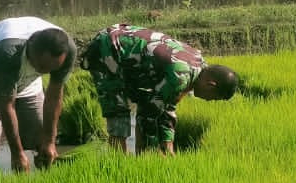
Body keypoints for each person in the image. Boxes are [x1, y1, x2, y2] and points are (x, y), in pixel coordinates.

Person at [80, 24, 238, 155]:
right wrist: (154, 148)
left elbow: (167, 106)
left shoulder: (197, 63)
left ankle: (138, 161)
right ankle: (119, 163)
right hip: (109, 49)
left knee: (141, 100)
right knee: (118, 111)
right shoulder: (181, 76)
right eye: (213, 98)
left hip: (127, 56)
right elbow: (149, 113)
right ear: (211, 85)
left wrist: (167, 145)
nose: (209, 100)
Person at [0, 16, 76, 174]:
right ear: (31, 47)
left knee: (40, 138)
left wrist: (49, 141)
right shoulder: (9, 50)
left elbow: (54, 96)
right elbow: (7, 105)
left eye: (51, 69)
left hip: (27, 83)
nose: (44, 72)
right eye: (41, 66)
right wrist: (17, 154)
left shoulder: (67, 50)